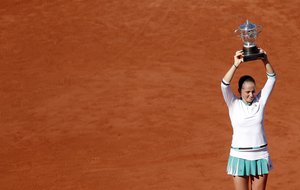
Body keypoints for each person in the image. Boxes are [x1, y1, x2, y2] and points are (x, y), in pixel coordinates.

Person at [221, 49, 276, 190]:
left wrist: (265, 59)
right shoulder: (233, 103)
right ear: (239, 91)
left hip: (260, 155)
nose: (251, 95)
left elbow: (272, 78)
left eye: (253, 91)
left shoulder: (260, 101)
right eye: (247, 92)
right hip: (239, 156)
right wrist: (235, 65)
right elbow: (224, 84)